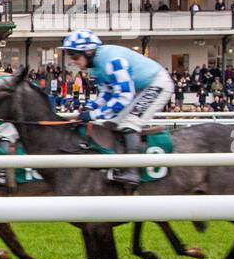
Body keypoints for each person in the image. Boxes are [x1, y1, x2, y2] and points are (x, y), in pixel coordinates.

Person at [61, 28, 174, 186]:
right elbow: (106, 93)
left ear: (89, 51)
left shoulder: (111, 61)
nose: (72, 60)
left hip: (157, 83)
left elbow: (124, 96)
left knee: (130, 123)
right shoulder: (95, 67)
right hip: (137, 87)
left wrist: (94, 115)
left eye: (75, 55)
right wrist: (88, 108)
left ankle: (132, 171)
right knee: (112, 122)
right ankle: (120, 163)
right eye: (70, 55)